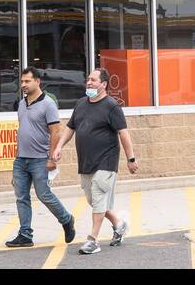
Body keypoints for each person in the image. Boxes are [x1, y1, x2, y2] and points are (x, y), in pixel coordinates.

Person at [51, 68, 138, 255]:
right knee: (94, 201)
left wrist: (131, 159)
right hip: (86, 161)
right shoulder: (81, 103)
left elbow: (123, 133)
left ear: (103, 84)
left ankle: (93, 240)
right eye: (88, 79)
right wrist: (59, 147)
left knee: (98, 196)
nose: (89, 82)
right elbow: (70, 128)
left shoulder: (112, 106)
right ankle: (119, 224)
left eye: (93, 80)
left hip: (106, 161)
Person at [5, 67, 76, 248]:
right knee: (21, 197)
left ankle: (66, 219)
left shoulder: (48, 104)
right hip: (21, 159)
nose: (23, 84)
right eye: (22, 81)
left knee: (44, 195)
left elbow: (56, 132)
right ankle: (25, 235)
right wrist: (17, 160)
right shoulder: (22, 103)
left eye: (27, 81)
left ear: (37, 82)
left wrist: (52, 159)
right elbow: (23, 130)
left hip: (40, 159)